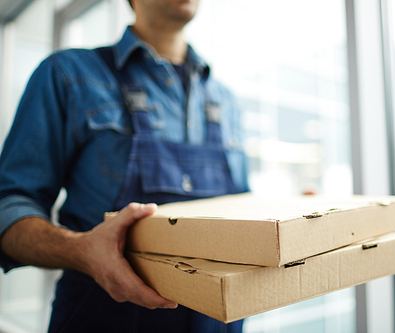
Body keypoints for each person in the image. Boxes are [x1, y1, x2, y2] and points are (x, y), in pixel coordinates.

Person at [0, 0, 248, 331]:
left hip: (221, 320)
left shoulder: (226, 100)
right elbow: (8, 205)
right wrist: (79, 251)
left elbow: (243, 210)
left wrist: (296, 218)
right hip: (104, 318)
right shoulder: (68, 74)